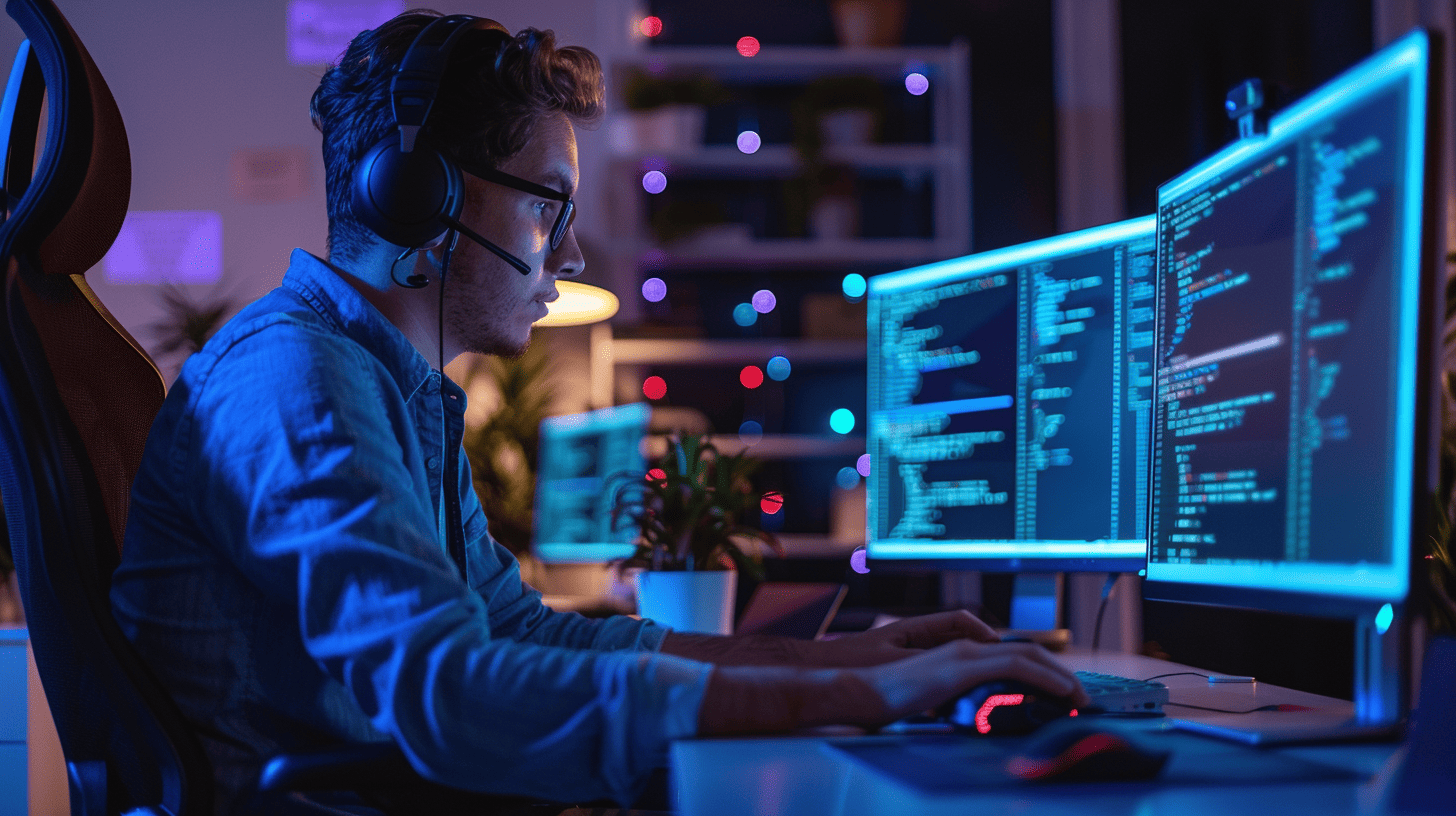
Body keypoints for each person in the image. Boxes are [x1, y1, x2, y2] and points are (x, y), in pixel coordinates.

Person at [109, 9, 1086, 815]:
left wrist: (830, 659)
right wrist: (858, 696)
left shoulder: (384, 384)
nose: (568, 258)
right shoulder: (295, 380)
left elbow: (524, 633)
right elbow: (447, 691)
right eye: (548, 209)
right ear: (421, 197)